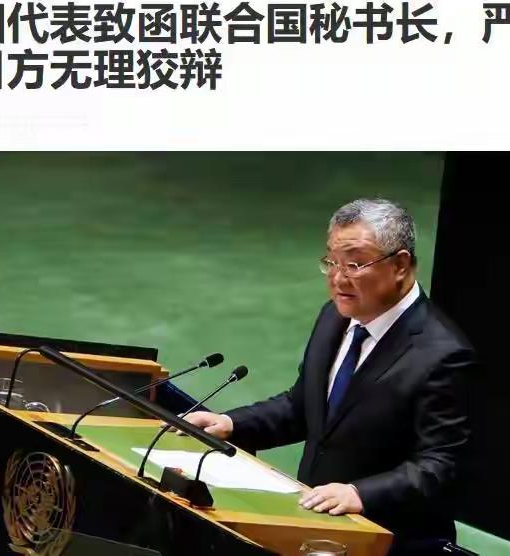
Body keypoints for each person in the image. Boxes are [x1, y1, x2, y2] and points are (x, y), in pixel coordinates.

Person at [183, 199, 476, 555]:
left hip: (390, 540)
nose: (338, 279)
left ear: (400, 265)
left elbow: (440, 466)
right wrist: (231, 423)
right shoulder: (334, 317)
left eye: (354, 264)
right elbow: (303, 407)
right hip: (313, 527)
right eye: (332, 262)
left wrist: (359, 493)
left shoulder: (443, 354)